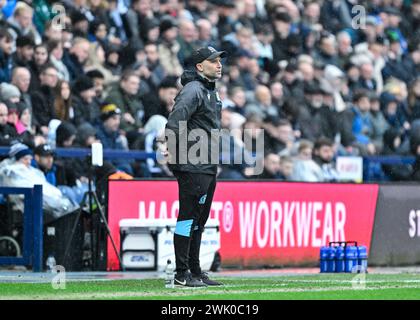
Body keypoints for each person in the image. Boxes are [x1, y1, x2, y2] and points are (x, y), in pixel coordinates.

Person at [161, 46, 226, 287]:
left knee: (199, 219)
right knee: (187, 218)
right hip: (192, 164)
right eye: (213, 61)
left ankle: (195, 270)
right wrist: (178, 157)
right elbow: (175, 122)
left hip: (206, 164)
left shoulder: (209, 90)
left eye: (220, 60)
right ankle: (181, 273)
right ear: (200, 66)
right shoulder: (193, 90)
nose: (219, 65)